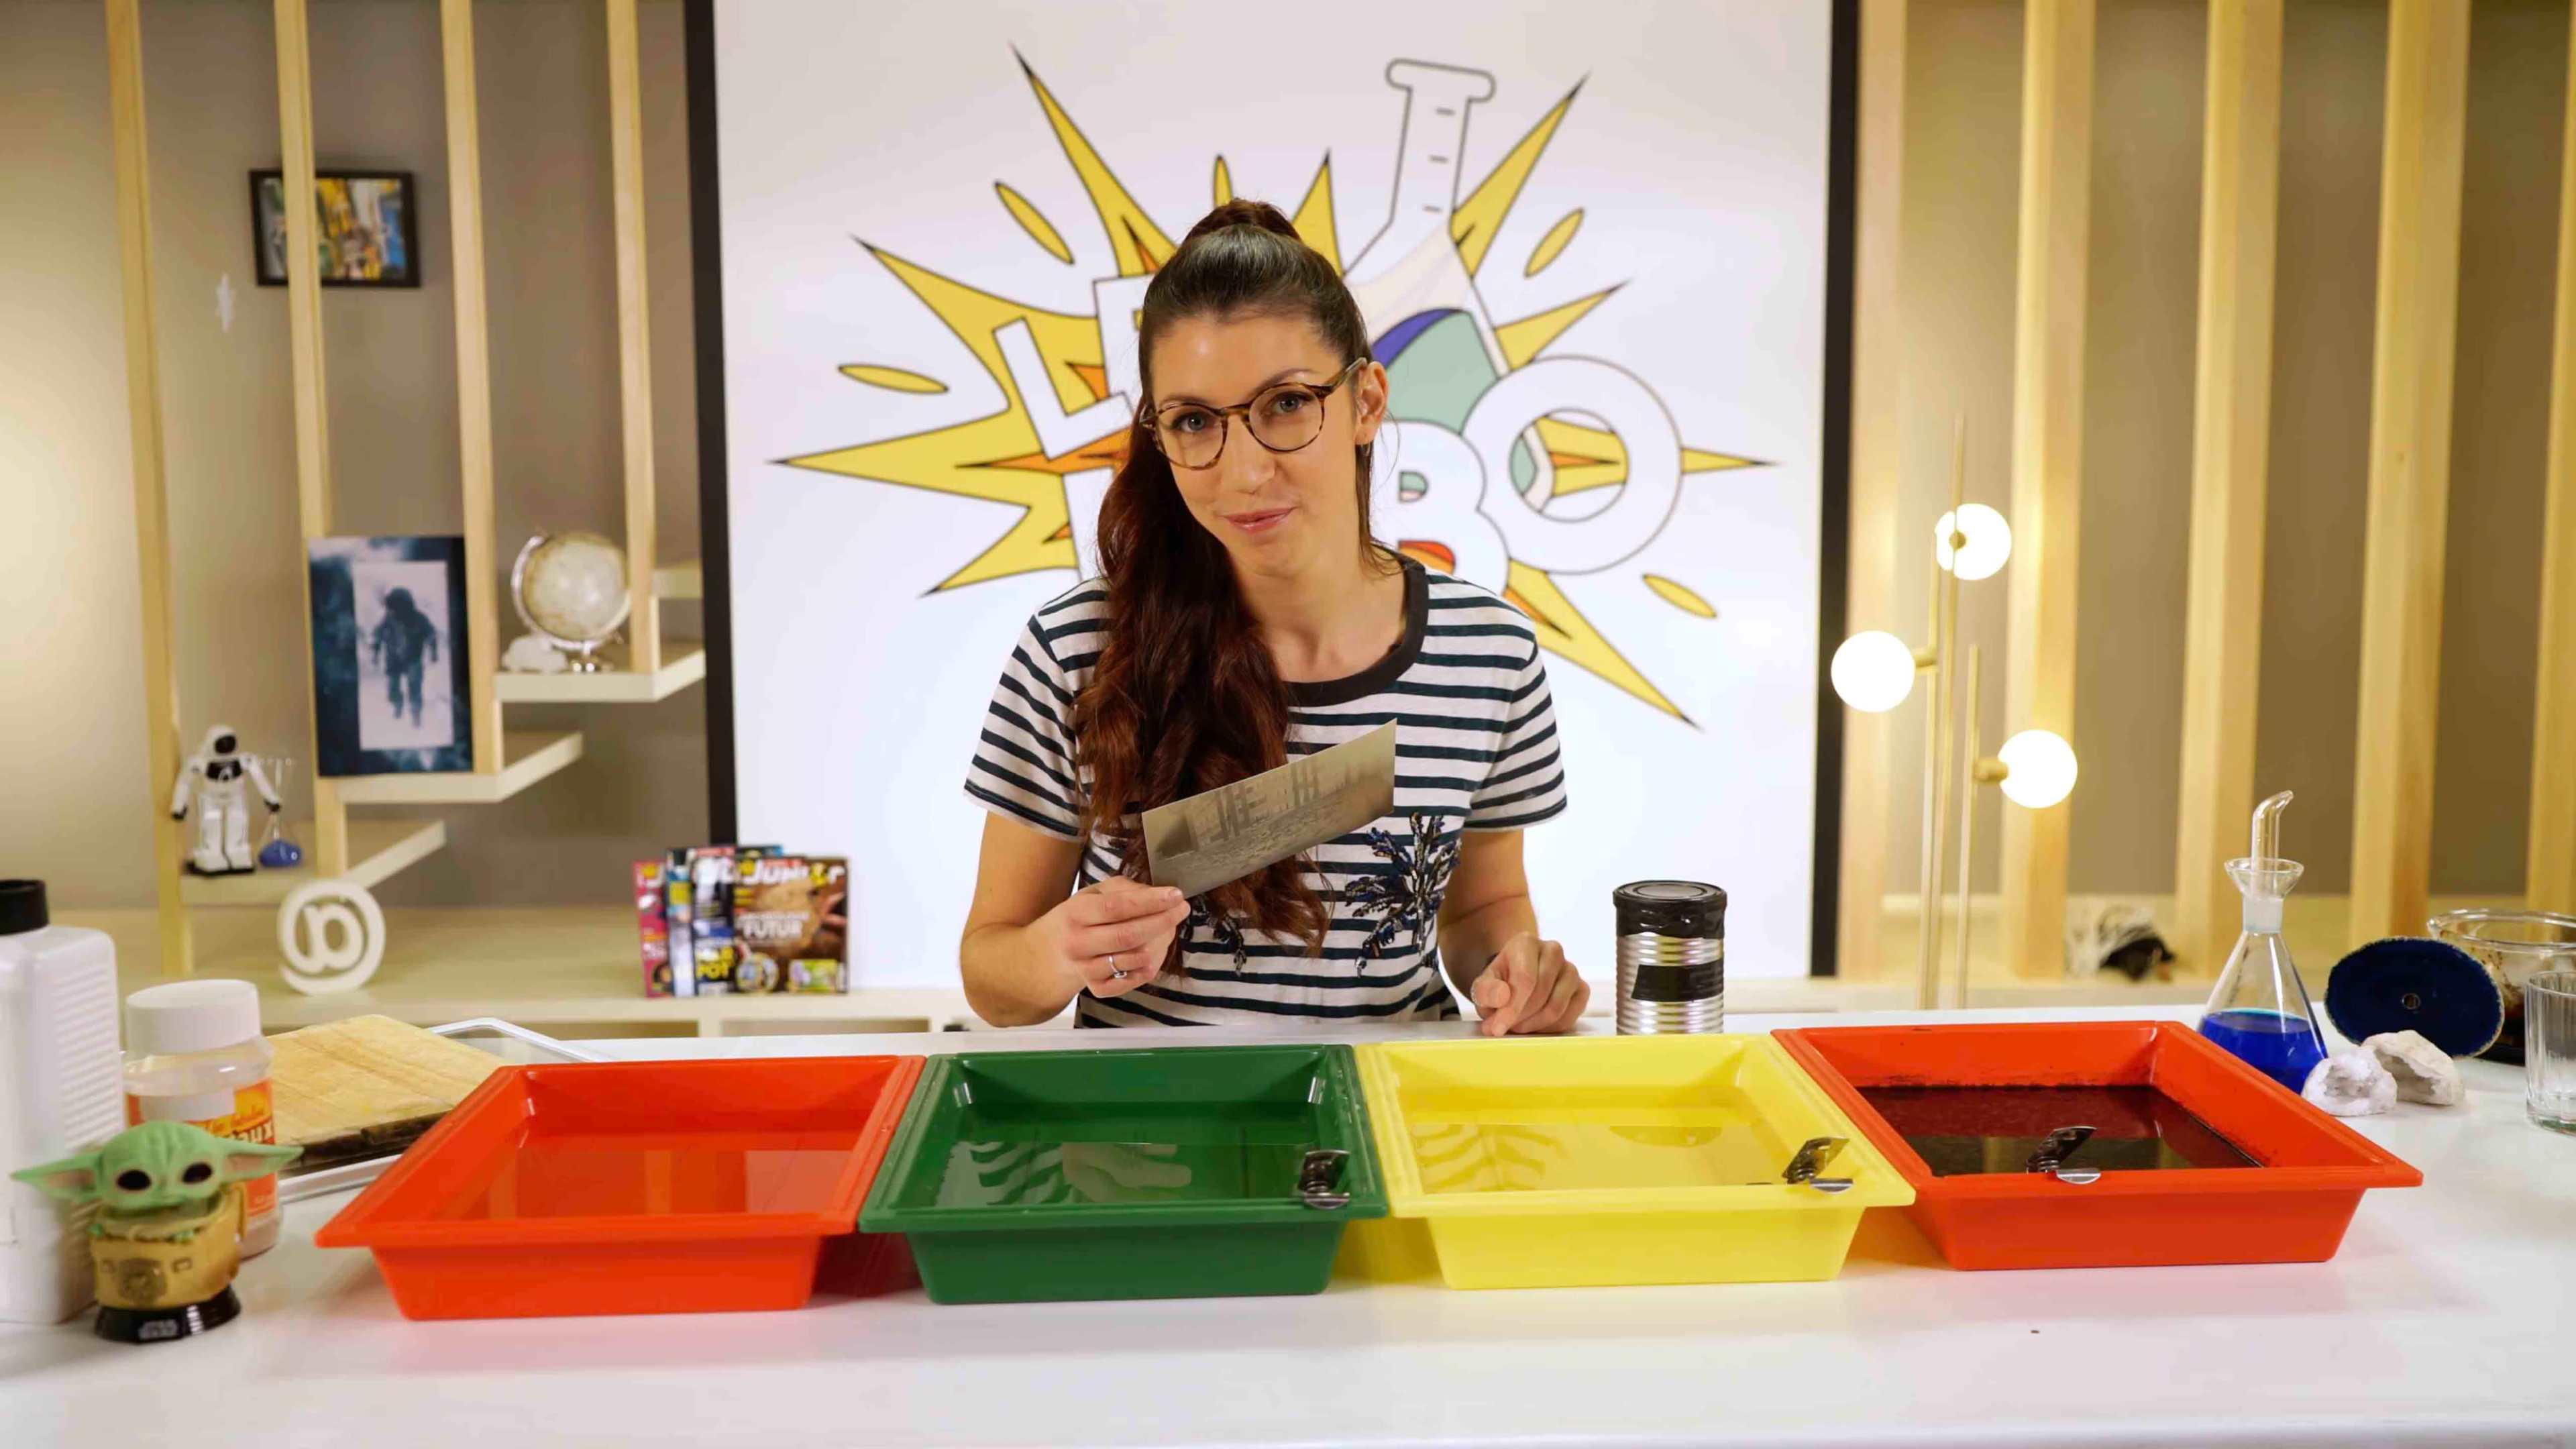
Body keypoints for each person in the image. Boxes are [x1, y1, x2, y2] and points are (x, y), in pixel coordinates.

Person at [959, 199, 1587, 1034]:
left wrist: (1514, 974)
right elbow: (992, 977)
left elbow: (1485, 908)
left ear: (1366, 401)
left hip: (1398, 1116)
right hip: (1146, 1146)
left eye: (1286, 405)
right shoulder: (1075, 650)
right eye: (1193, 422)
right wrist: (1057, 951)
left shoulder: (1490, 652)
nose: (1244, 472)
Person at [371, 587, 439, 726]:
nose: (391, 612)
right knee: (392, 689)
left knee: (415, 687)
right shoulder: (388, 620)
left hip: (413, 659)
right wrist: (375, 654)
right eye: (390, 609)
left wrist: (433, 653)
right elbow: (377, 636)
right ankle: (397, 704)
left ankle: (416, 714)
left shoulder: (419, 619)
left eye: (394, 609)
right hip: (393, 660)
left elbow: (431, 635)